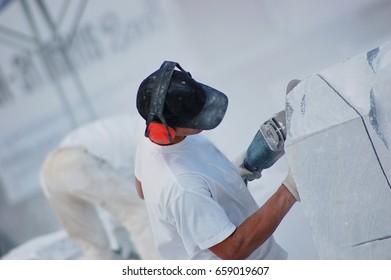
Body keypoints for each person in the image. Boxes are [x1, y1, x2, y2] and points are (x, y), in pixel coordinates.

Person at [134, 61, 300, 260]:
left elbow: (143, 188)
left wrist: (230, 176)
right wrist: (291, 187)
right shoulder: (182, 188)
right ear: (165, 131)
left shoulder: (149, 137)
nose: (205, 113)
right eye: (195, 118)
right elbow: (234, 250)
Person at [40, 114, 159, 260]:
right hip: (77, 160)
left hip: (50, 170)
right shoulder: (153, 138)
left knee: (93, 246)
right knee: (138, 213)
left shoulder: (138, 125)